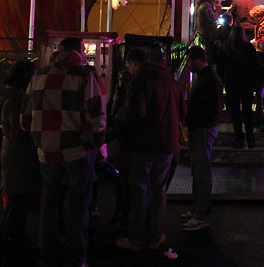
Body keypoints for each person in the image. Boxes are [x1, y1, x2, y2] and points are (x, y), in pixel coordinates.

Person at [21, 38, 106, 267]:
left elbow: (25, 118)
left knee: (49, 203)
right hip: (77, 150)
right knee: (78, 204)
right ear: (79, 52)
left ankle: (47, 254)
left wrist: (39, 138)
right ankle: (76, 257)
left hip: (46, 150)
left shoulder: (38, 75)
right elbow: (96, 115)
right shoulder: (83, 76)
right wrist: (96, 143)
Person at [116, 47, 184, 252]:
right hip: (167, 143)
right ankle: (155, 234)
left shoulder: (139, 80)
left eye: (128, 66)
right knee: (159, 188)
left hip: (144, 143)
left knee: (140, 188)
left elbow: (135, 113)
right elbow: (183, 111)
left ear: (133, 63)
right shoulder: (170, 79)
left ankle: (137, 237)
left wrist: (121, 125)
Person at [181, 46, 224, 231]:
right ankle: (197, 209)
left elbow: (211, 108)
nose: (188, 65)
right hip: (200, 127)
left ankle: (201, 213)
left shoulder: (209, 80)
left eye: (189, 61)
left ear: (198, 60)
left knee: (201, 171)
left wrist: (191, 119)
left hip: (202, 128)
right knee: (198, 170)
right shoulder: (207, 78)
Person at [0, 60, 38, 253]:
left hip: (10, 155)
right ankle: (13, 241)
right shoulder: (18, 101)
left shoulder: (9, 97)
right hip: (18, 158)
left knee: (14, 202)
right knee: (18, 202)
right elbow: (19, 136)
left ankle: (12, 238)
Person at [223, 25, 262, 148]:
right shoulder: (248, 47)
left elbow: (223, 66)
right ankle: (250, 137)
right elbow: (256, 65)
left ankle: (239, 138)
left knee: (235, 112)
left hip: (232, 84)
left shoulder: (227, 48)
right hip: (246, 84)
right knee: (247, 111)